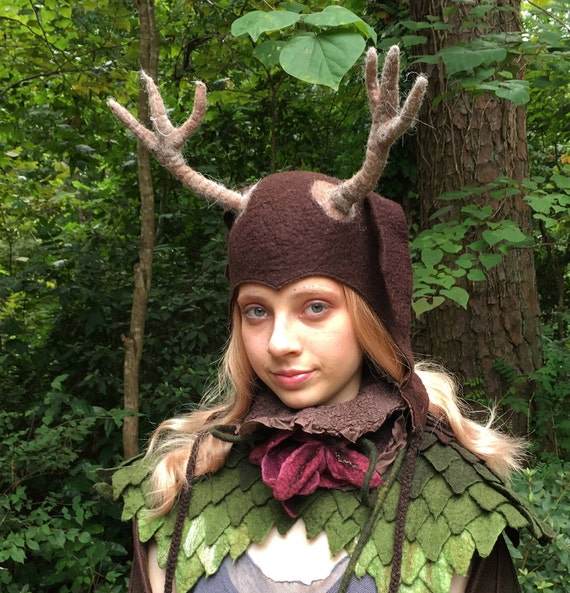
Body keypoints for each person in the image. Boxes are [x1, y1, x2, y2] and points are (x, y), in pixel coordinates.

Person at [105, 46, 551, 593]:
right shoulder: (179, 486)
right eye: (255, 311)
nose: (280, 342)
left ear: (369, 316)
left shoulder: (455, 496)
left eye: (315, 307)